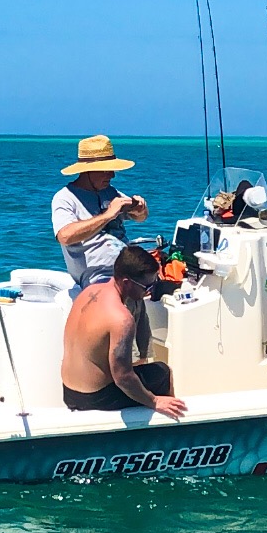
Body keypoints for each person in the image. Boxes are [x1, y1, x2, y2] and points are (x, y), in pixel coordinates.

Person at [61, 246, 187, 416]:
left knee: (142, 372)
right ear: (127, 282)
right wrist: (155, 401)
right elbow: (123, 378)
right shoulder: (121, 318)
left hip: (69, 392)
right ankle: (166, 433)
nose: (149, 291)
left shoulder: (88, 292)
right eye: (147, 286)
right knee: (162, 372)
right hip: (95, 398)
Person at [52, 134, 149, 286]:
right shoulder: (65, 198)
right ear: (88, 170)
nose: (112, 175)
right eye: (106, 170)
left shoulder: (109, 192)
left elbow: (141, 218)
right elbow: (65, 236)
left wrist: (140, 209)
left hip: (128, 268)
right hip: (99, 276)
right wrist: (108, 215)